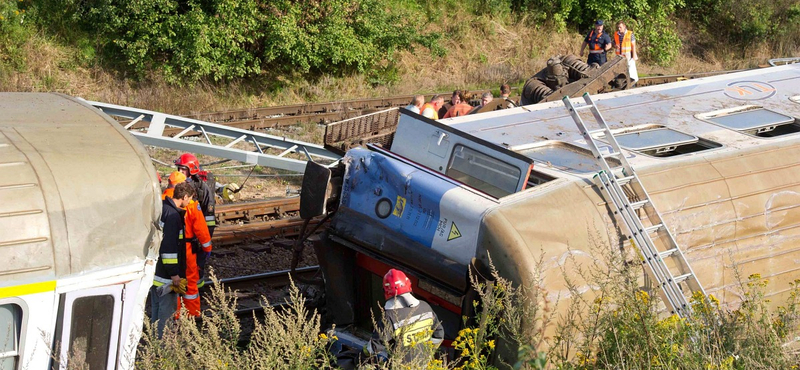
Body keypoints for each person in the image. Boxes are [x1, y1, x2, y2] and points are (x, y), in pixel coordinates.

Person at [366, 269, 444, 364]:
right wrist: (428, 353)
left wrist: (358, 359)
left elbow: (374, 348)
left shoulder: (389, 316)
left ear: (385, 291)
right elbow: (439, 334)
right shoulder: (425, 307)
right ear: (409, 285)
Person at [162, 171, 212, 318]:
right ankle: (192, 315)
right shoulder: (190, 204)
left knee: (172, 283)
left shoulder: (162, 199)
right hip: (188, 248)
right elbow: (201, 229)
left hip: (167, 248)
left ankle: (175, 314)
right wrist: (207, 248)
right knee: (190, 283)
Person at [151, 182, 194, 337]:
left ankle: (154, 343)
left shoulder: (163, 208)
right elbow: (169, 248)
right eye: (189, 199)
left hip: (155, 272)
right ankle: (161, 350)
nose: (189, 203)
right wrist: (174, 274)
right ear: (184, 197)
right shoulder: (174, 216)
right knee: (166, 314)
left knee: (156, 310)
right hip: (166, 277)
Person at [175, 153, 216, 288]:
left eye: (183, 169)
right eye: (179, 168)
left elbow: (209, 218)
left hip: (194, 240)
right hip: (179, 238)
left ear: (191, 170)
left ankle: (197, 294)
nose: (180, 172)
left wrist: (204, 240)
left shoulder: (202, 189)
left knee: (196, 270)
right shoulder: (174, 186)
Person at [613, 20, 639, 86]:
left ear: (624, 27)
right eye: (618, 27)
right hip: (619, 56)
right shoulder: (616, 34)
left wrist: (634, 56)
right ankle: (622, 84)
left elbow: (633, 45)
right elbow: (613, 42)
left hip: (628, 56)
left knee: (630, 72)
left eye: (620, 27)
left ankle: (632, 84)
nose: (619, 29)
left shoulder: (630, 34)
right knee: (621, 71)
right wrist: (615, 45)